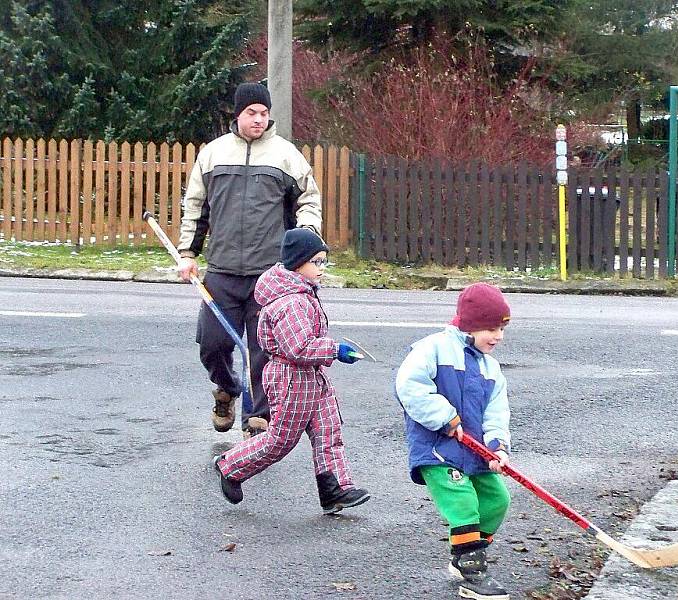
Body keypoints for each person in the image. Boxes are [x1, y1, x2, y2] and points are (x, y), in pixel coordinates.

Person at [176, 82, 322, 438]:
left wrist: (304, 237)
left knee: (263, 350)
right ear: (238, 114)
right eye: (251, 113)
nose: (258, 120)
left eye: (264, 114)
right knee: (213, 344)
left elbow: (309, 199)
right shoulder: (212, 155)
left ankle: (257, 420)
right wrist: (187, 253)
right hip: (222, 270)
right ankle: (227, 389)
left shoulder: (286, 155)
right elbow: (196, 206)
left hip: (268, 274)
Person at [212, 228, 370, 514]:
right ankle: (230, 466)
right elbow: (297, 348)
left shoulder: (302, 292)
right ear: (298, 263)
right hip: (291, 380)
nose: (321, 268)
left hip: (313, 378)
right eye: (316, 262)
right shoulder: (291, 301)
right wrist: (335, 350)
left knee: (328, 432)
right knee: (281, 441)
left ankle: (335, 489)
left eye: (323, 262)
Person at [395, 282, 513, 600]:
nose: (498, 336)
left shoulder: (491, 367)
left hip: (475, 450)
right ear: (470, 324)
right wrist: (444, 417)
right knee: (463, 504)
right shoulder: (434, 348)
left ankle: (464, 554)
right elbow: (409, 386)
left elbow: (496, 411)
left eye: (501, 328)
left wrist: (497, 446)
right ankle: (473, 572)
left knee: (497, 501)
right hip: (438, 449)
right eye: (490, 328)